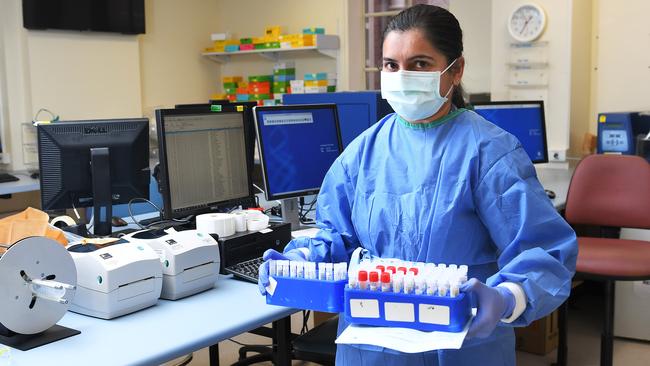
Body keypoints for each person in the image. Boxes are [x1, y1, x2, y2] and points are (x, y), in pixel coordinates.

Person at [259, 4, 577, 365]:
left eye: (420, 64)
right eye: (392, 65)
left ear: (454, 70)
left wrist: (507, 297)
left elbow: (544, 252)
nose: (402, 76)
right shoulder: (363, 151)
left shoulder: (489, 152)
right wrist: (299, 259)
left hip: (459, 340)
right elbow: (336, 236)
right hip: (371, 343)